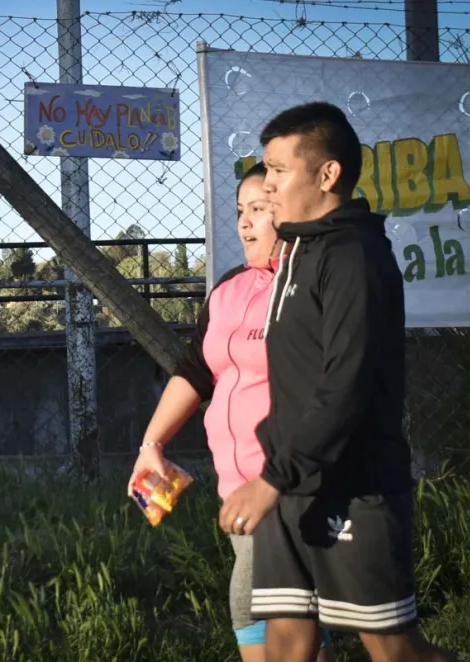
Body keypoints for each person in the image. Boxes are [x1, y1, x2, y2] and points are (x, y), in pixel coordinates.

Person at [219, 102, 458, 662]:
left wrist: (272, 478)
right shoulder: (300, 250)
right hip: (293, 489)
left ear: (327, 175)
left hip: (355, 488)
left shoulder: (356, 256)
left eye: (278, 170)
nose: (268, 184)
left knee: (392, 649)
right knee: (287, 642)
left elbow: (345, 385)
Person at [127, 162, 333, 662]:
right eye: (240, 211)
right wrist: (150, 444)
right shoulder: (229, 288)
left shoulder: (314, 284)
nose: (244, 223)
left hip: (287, 485)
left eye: (258, 209)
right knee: (289, 623)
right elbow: (196, 369)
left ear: (290, 210)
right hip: (237, 489)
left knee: (260, 611)